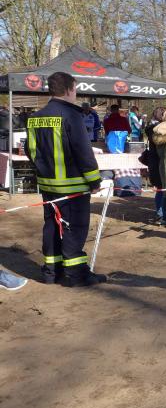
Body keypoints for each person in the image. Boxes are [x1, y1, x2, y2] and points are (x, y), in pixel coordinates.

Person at [24, 72, 106, 287]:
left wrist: (45, 171)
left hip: (47, 185)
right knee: (74, 228)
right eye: (75, 89)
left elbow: (30, 150)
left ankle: (51, 272)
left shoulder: (34, 117)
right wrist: (94, 181)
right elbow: (83, 151)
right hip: (73, 186)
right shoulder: (72, 115)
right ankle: (75, 275)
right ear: (70, 89)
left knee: (51, 226)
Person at [143, 107, 166, 224]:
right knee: (162, 189)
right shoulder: (158, 129)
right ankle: (161, 214)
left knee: (160, 189)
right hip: (159, 161)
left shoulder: (150, 128)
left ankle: (160, 213)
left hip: (154, 161)